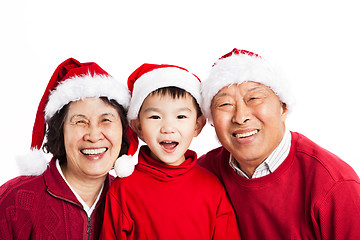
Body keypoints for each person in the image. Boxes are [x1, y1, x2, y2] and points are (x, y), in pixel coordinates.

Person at [198, 48, 360, 239]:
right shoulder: (202, 175)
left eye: (254, 99)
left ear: (283, 107)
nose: (240, 117)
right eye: (224, 105)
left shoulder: (334, 186)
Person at [0, 58, 138, 240]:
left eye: (106, 120)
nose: (94, 135)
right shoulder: (13, 201)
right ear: (60, 131)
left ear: (124, 130)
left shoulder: (130, 201)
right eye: (80, 121)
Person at [100, 63, 241, 239]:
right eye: (155, 117)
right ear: (138, 126)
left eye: (181, 116)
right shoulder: (123, 190)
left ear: (198, 125)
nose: (167, 128)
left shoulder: (213, 188)